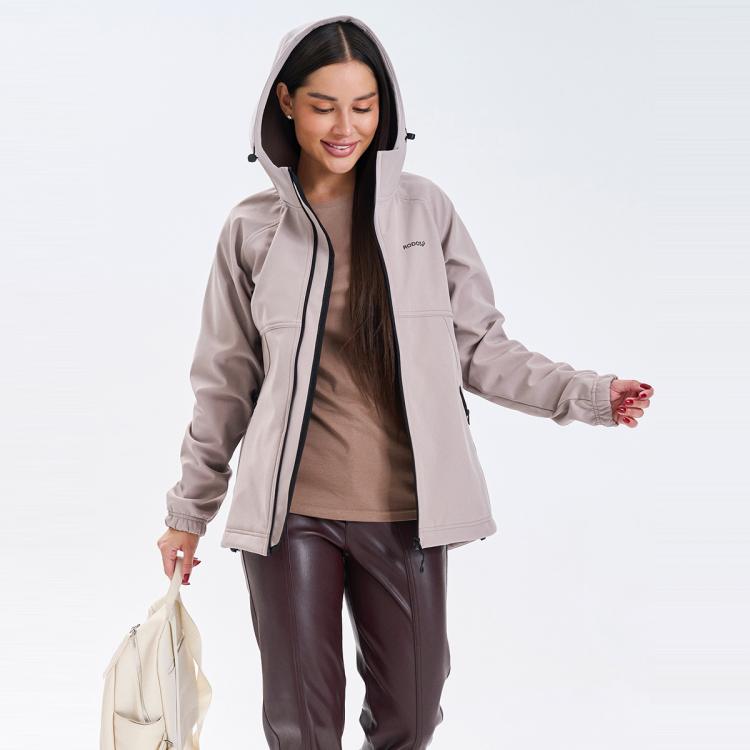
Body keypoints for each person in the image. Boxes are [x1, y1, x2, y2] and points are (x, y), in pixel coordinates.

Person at [156, 15, 653, 749]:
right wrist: (187, 512)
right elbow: (224, 385)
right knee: (302, 727)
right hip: (288, 516)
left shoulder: (425, 210)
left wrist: (589, 394)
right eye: (324, 106)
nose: (345, 127)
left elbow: (480, 347)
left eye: (363, 107)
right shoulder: (251, 229)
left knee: (411, 719)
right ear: (286, 102)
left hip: (406, 511)